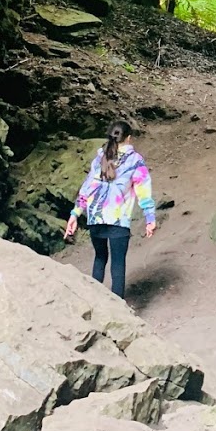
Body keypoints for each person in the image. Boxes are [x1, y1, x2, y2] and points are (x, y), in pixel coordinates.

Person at [64, 119, 155, 299]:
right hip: (118, 220)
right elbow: (143, 192)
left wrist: (75, 214)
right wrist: (150, 218)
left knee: (99, 258)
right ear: (128, 138)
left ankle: (95, 303)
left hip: (95, 219)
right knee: (118, 264)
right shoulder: (135, 160)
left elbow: (87, 188)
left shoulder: (100, 157)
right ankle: (118, 308)